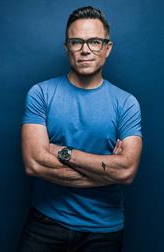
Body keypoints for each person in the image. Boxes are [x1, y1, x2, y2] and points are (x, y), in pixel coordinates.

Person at [17, 6, 142, 252]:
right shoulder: (41, 94)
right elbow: (34, 163)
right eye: (76, 42)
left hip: (104, 230)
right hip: (45, 223)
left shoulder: (126, 103)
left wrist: (62, 152)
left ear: (108, 48)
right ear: (67, 48)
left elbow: (127, 171)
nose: (85, 50)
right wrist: (107, 171)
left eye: (94, 41)